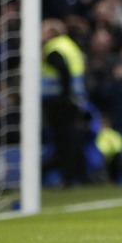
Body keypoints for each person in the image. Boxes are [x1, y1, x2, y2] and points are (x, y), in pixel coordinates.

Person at [41, 19, 88, 187]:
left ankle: (69, 178)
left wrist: (64, 97)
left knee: (64, 141)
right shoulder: (70, 46)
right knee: (72, 139)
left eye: (44, 31)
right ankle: (79, 176)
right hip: (76, 99)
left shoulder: (54, 49)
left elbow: (64, 72)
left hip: (60, 102)